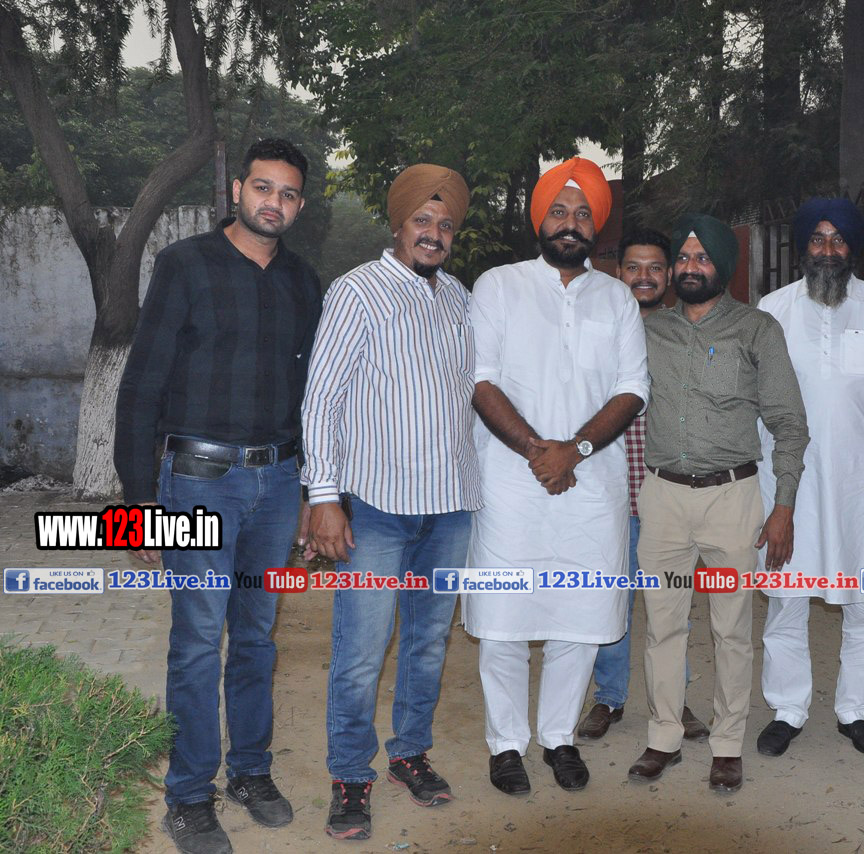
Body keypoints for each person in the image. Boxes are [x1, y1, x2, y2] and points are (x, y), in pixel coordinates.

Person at [114, 139, 320, 854]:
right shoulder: (185, 265)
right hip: (198, 481)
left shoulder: (303, 281)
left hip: (277, 484)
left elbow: (312, 396)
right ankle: (189, 796)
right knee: (200, 641)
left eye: (288, 193)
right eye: (263, 188)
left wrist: (311, 491)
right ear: (237, 190)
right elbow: (140, 385)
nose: (274, 202)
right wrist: (138, 504)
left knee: (256, 638)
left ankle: (251, 773)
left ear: (300, 204)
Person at [300, 164, 480, 841]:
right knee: (361, 650)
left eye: (445, 224)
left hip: (450, 507)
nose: (434, 233)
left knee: (428, 645)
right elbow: (321, 400)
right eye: (422, 221)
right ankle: (351, 774)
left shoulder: (458, 297)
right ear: (398, 225)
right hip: (376, 508)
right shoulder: (357, 291)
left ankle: (409, 754)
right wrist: (324, 497)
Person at [464, 157, 649, 796]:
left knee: (580, 617)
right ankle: (506, 745)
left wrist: (575, 450)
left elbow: (633, 388)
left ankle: (558, 737)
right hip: (511, 485)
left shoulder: (617, 297)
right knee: (505, 621)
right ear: (538, 219)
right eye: (559, 211)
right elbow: (480, 380)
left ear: (597, 226)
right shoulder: (498, 285)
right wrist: (537, 451)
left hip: (591, 486)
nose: (570, 223)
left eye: (583, 214)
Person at [629, 214, 808, 794]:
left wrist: (783, 507)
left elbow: (789, 423)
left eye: (702, 257)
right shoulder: (649, 330)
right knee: (662, 626)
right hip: (662, 498)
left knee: (731, 629)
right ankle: (663, 736)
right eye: (683, 257)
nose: (689, 267)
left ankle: (728, 744)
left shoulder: (757, 329)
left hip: (732, 499)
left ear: (723, 265)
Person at [753, 198, 864, 760]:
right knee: (786, 599)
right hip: (788, 484)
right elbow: (756, 406)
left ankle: (855, 710)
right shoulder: (772, 309)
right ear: (803, 247)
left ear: (853, 247)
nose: (827, 250)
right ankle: (787, 709)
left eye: (838, 239)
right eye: (817, 239)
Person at [575, 228, 709, 744]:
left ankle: (672, 699)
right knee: (611, 602)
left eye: (656, 267)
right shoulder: (599, 327)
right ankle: (609, 697)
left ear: (670, 274)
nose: (645, 277)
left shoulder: (686, 331)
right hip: (608, 493)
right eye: (634, 267)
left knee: (670, 604)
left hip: (669, 496)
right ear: (618, 272)